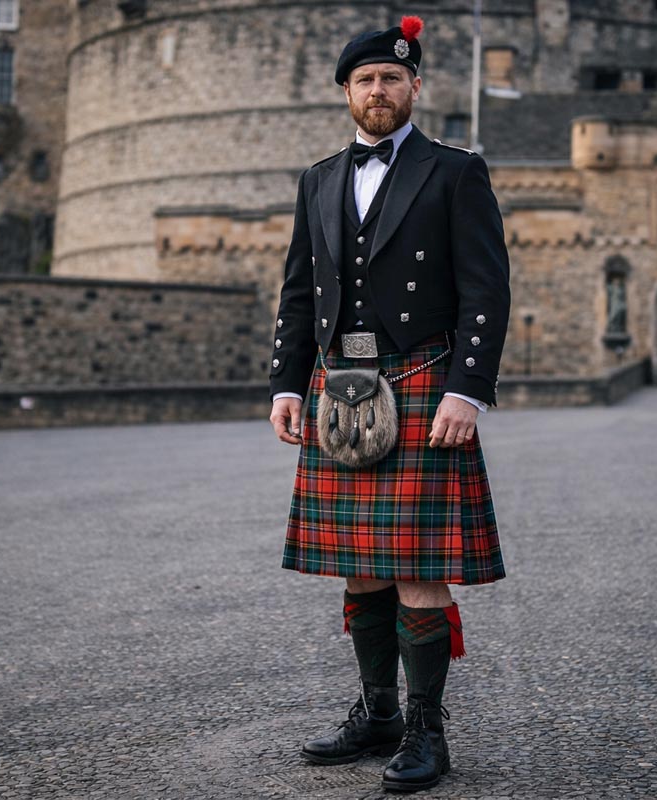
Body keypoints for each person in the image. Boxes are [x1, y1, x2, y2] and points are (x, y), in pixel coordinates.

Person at [267, 15, 510, 793]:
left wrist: (468, 388)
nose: (379, 91)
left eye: (392, 79)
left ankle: (425, 729)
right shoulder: (319, 178)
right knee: (359, 570)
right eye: (365, 80)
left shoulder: (454, 171)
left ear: (414, 88)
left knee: (416, 572)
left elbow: (486, 290)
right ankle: (376, 714)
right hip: (340, 387)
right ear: (347, 92)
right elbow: (300, 291)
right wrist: (283, 382)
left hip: (424, 379)